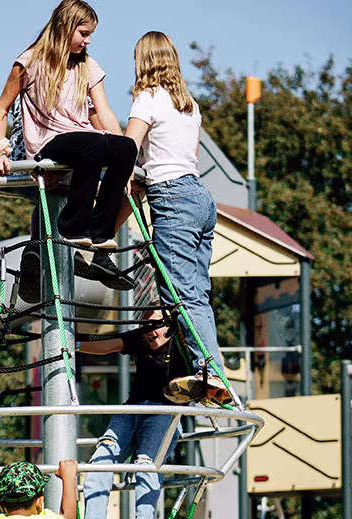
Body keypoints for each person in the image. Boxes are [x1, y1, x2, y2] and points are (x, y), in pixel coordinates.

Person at [125, 31, 232, 407]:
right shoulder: (189, 105)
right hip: (201, 198)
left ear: (144, 61)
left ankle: (211, 371)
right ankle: (208, 368)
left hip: (172, 198)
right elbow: (186, 155)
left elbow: (128, 148)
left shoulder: (147, 97)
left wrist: (126, 180)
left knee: (177, 294)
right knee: (196, 294)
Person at [0, 0, 137, 248]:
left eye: (90, 35)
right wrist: (0, 150)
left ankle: (100, 231)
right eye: (84, 34)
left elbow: (106, 112)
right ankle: (72, 226)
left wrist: (128, 161)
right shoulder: (30, 61)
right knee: (95, 144)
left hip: (83, 138)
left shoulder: (87, 65)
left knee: (126, 148)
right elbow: (2, 107)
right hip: (48, 141)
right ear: (65, 27)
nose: (88, 41)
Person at [78, 309, 186, 519]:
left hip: (165, 411)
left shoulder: (183, 344)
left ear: (170, 326)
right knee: (100, 460)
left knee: (146, 462)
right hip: (132, 408)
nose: (151, 333)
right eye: (146, 326)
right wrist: (69, 344)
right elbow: (108, 346)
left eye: (156, 326)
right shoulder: (142, 338)